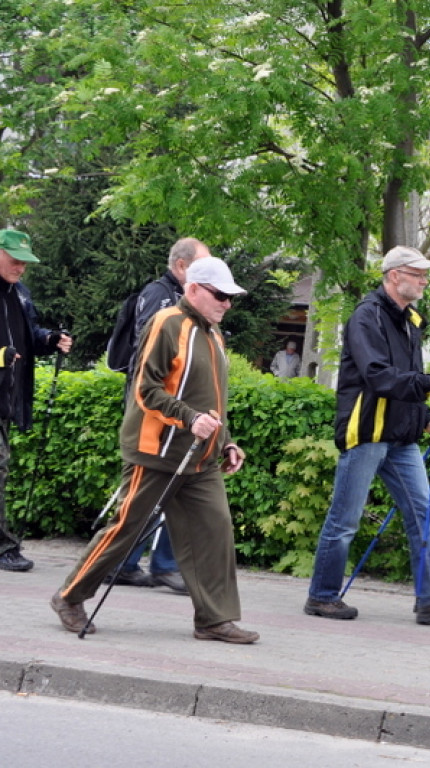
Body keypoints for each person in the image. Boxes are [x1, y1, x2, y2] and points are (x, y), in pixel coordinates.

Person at [51, 255, 259, 644]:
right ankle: (69, 597)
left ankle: (214, 619)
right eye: (220, 295)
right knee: (126, 529)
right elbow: (145, 389)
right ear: (193, 289)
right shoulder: (166, 323)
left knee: (215, 530)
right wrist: (189, 419)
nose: (227, 304)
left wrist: (226, 441)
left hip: (199, 457)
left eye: (231, 297)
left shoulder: (214, 334)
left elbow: (214, 401)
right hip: (156, 452)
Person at [304, 245, 430, 626]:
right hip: (367, 433)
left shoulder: (410, 319)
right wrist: (429, 383)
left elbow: (407, 376)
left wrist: (428, 420)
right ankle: (322, 596)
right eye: (418, 274)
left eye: (426, 275)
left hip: (401, 438)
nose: (425, 281)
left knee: (425, 516)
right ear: (394, 276)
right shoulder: (366, 317)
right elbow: (379, 376)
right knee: (345, 520)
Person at [108, 237, 211, 593]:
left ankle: (146, 563)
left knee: (171, 487)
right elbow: (150, 356)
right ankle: (132, 563)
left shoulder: (186, 301)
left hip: (178, 412)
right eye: (200, 266)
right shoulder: (159, 296)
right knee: (150, 490)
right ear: (181, 266)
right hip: (158, 412)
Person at [0, 229, 73, 572]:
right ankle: (4, 547)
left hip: (7, 397)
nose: (21, 268)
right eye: (15, 260)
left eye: (25, 263)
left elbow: (28, 336)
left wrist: (49, 339)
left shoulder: (20, 293)